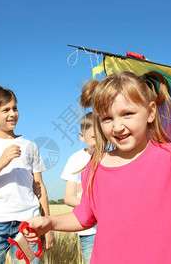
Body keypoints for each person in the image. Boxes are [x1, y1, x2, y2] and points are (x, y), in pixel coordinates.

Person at [23, 71, 171, 263]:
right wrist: (51, 223)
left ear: (150, 113)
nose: (117, 127)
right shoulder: (94, 167)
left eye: (127, 114)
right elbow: (84, 217)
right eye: (107, 118)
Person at [0, 85, 53, 264]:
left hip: (27, 224)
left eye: (14, 108)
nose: (12, 113)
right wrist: (1, 162)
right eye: (5, 110)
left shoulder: (30, 146)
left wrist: (47, 225)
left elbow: (39, 187)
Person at [60, 112, 97, 264]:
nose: (100, 141)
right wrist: (95, 205)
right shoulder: (76, 159)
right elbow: (69, 197)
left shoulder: (115, 156)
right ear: (82, 136)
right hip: (88, 231)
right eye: (94, 137)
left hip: (113, 228)